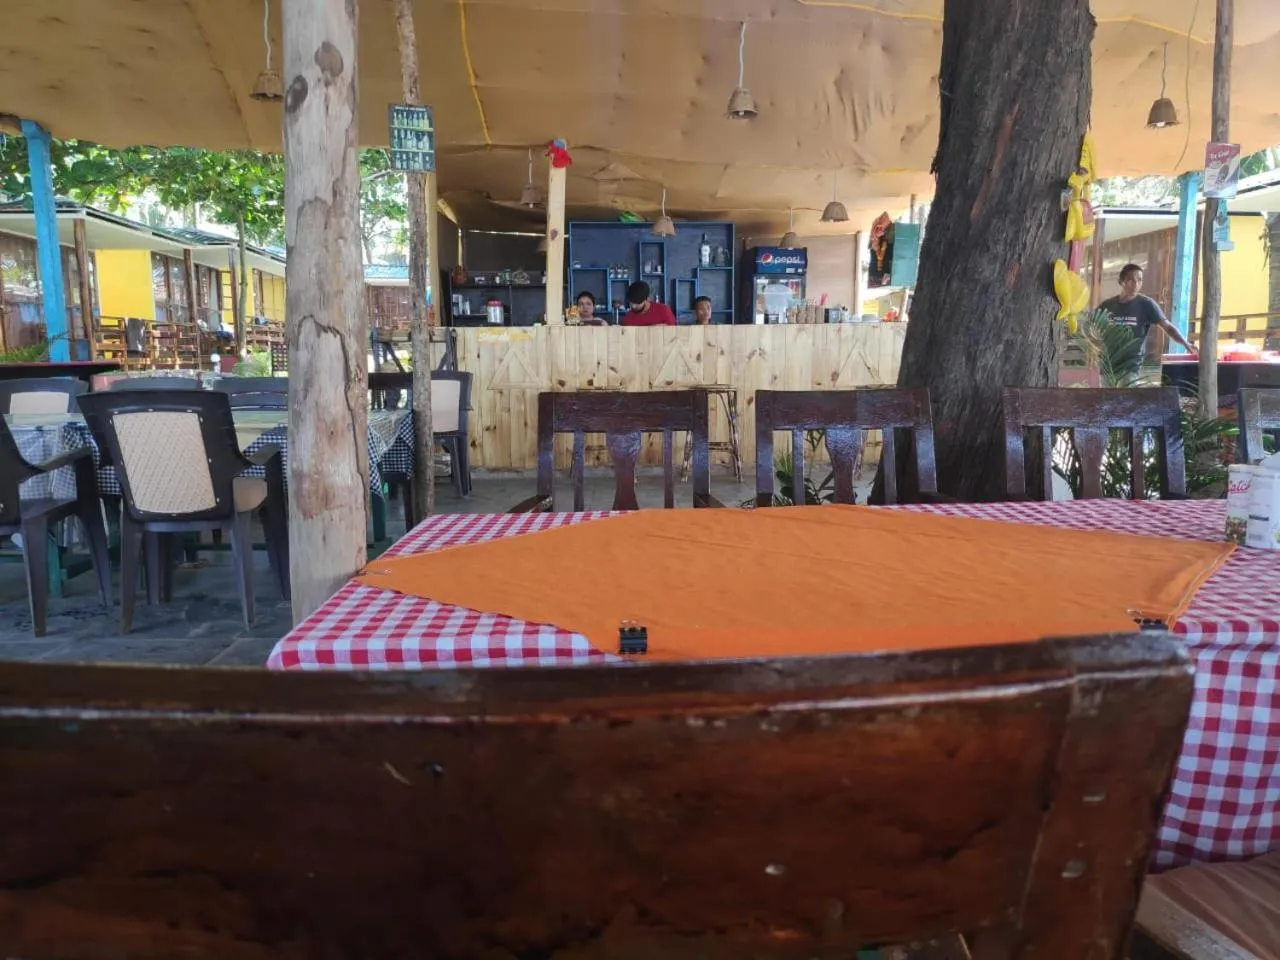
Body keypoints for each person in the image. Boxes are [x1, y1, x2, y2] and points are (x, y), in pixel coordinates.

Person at [1099, 263, 1194, 358]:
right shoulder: (1107, 306)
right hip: (1108, 364)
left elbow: (1168, 327)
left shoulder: (1147, 304)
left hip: (1131, 365)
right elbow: (1092, 327)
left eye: (1139, 280)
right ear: (1121, 281)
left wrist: (1186, 344)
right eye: (1131, 280)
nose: (1136, 284)